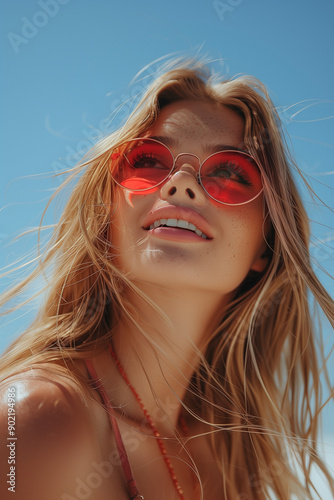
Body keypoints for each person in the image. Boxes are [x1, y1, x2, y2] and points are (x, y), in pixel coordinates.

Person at [0, 58, 333, 500]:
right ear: (108, 217)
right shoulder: (38, 420)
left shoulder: (229, 459)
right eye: (150, 161)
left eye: (231, 173)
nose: (180, 183)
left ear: (266, 245)